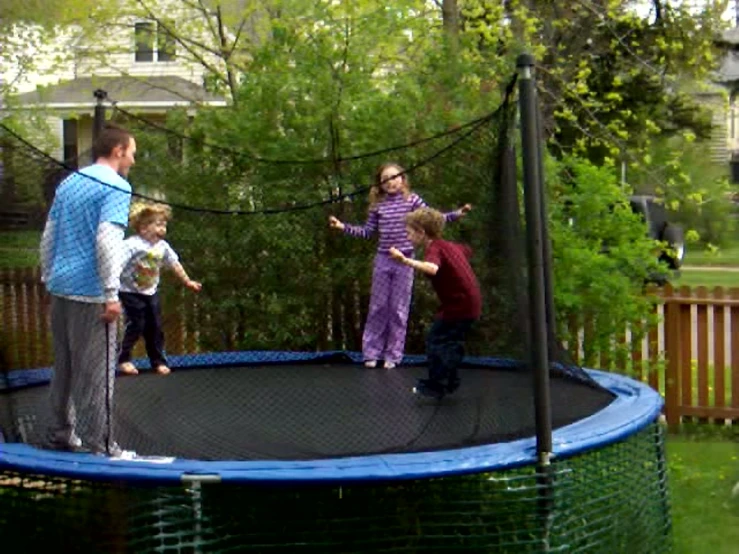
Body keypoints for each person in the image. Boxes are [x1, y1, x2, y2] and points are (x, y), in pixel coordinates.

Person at [40, 124, 136, 456]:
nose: (133, 161)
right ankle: (103, 444)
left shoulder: (70, 182)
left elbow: (49, 234)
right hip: (91, 293)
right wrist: (111, 293)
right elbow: (107, 240)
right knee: (96, 372)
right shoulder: (116, 186)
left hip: (62, 288)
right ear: (119, 150)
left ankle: (59, 433)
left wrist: (48, 278)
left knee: (64, 366)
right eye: (132, 153)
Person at [329, 162, 471, 369]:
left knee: (398, 308)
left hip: (405, 260)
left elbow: (432, 219)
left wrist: (455, 215)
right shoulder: (378, 206)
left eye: (395, 177)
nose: (390, 182)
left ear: (402, 180)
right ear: (379, 184)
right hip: (383, 259)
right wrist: (343, 227)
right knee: (378, 307)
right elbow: (367, 232)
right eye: (385, 179)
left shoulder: (412, 200)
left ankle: (393, 355)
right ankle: (371, 353)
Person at [389, 208, 481, 399]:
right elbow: (467, 250)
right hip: (467, 303)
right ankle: (450, 380)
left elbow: (432, 268)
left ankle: (437, 385)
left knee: (436, 340)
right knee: (448, 341)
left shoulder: (434, 248)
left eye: (409, 233)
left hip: (459, 305)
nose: (407, 237)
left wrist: (404, 260)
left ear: (421, 232)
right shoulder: (450, 246)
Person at [117, 202, 202, 376]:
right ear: (143, 227)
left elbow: (174, 264)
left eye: (164, 225)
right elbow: (116, 265)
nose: (162, 228)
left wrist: (187, 281)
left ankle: (158, 361)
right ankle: (123, 359)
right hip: (129, 291)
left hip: (150, 292)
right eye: (158, 224)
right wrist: (109, 288)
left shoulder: (163, 246)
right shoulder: (131, 245)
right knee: (136, 324)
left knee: (155, 326)